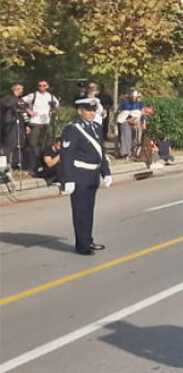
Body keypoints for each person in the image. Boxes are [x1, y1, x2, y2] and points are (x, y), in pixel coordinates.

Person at [58, 97, 112, 255]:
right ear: (80, 111)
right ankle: (82, 245)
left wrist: (106, 172)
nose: (91, 113)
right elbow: (67, 156)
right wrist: (67, 180)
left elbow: (101, 152)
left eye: (93, 110)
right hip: (79, 175)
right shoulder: (73, 129)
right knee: (80, 211)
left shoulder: (96, 127)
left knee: (89, 210)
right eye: (88, 110)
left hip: (93, 174)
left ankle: (88, 240)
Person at [21, 80, 58, 170]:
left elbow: (57, 105)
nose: (42, 87)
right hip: (35, 122)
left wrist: (52, 111)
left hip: (47, 123)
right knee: (33, 145)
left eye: (44, 85)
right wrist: (28, 111)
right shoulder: (33, 95)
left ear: (47, 86)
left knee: (47, 145)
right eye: (40, 85)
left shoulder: (51, 96)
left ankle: (44, 164)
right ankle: (31, 165)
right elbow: (20, 102)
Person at [115, 90, 145, 158]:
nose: (135, 98)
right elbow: (119, 112)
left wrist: (143, 122)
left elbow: (143, 113)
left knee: (135, 138)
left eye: (136, 97)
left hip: (136, 122)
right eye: (133, 97)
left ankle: (134, 152)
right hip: (125, 122)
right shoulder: (125, 103)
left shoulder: (140, 104)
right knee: (126, 137)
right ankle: (125, 153)